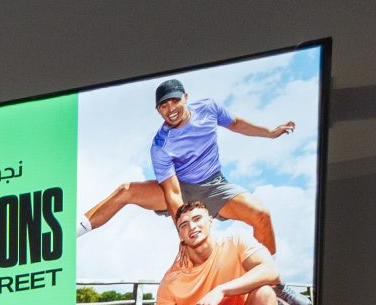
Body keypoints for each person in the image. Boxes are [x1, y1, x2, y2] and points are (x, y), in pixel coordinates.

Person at [79, 75, 295, 254]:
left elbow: (237, 124)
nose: (170, 109)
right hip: (182, 188)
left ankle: (271, 281)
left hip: (214, 185)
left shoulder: (209, 108)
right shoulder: (161, 144)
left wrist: (270, 132)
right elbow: (173, 194)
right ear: (158, 110)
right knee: (126, 191)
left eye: (175, 101)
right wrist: (185, 238)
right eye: (163, 106)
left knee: (261, 215)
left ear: (186, 97)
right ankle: (72, 233)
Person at [151, 201, 281, 305]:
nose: (192, 227)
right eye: (184, 225)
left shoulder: (235, 241)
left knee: (265, 294)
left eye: (197, 219)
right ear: (180, 236)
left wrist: (221, 290)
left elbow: (272, 270)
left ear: (210, 221)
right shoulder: (171, 279)